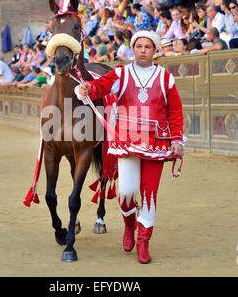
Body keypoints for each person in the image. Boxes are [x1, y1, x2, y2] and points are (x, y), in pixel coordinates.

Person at [77, 30, 184, 264]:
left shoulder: (165, 78)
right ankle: (129, 225)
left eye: (148, 46)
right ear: (133, 49)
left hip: (156, 144)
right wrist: (87, 89)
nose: (143, 50)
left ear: (155, 51)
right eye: (139, 46)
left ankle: (143, 242)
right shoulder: (121, 74)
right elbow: (100, 87)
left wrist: (177, 139)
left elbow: (175, 110)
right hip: (126, 141)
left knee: (148, 195)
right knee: (126, 192)